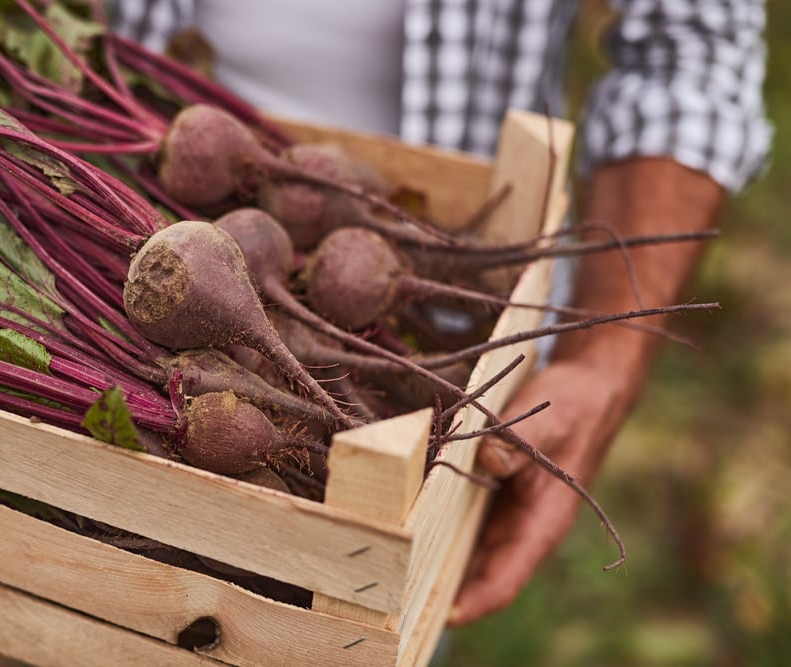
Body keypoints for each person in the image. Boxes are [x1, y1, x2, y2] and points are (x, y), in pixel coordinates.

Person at [112, 0, 771, 625]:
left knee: (390, 552)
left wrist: (604, 359)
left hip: (410, 285)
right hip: (145, 181)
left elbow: (689, 52)